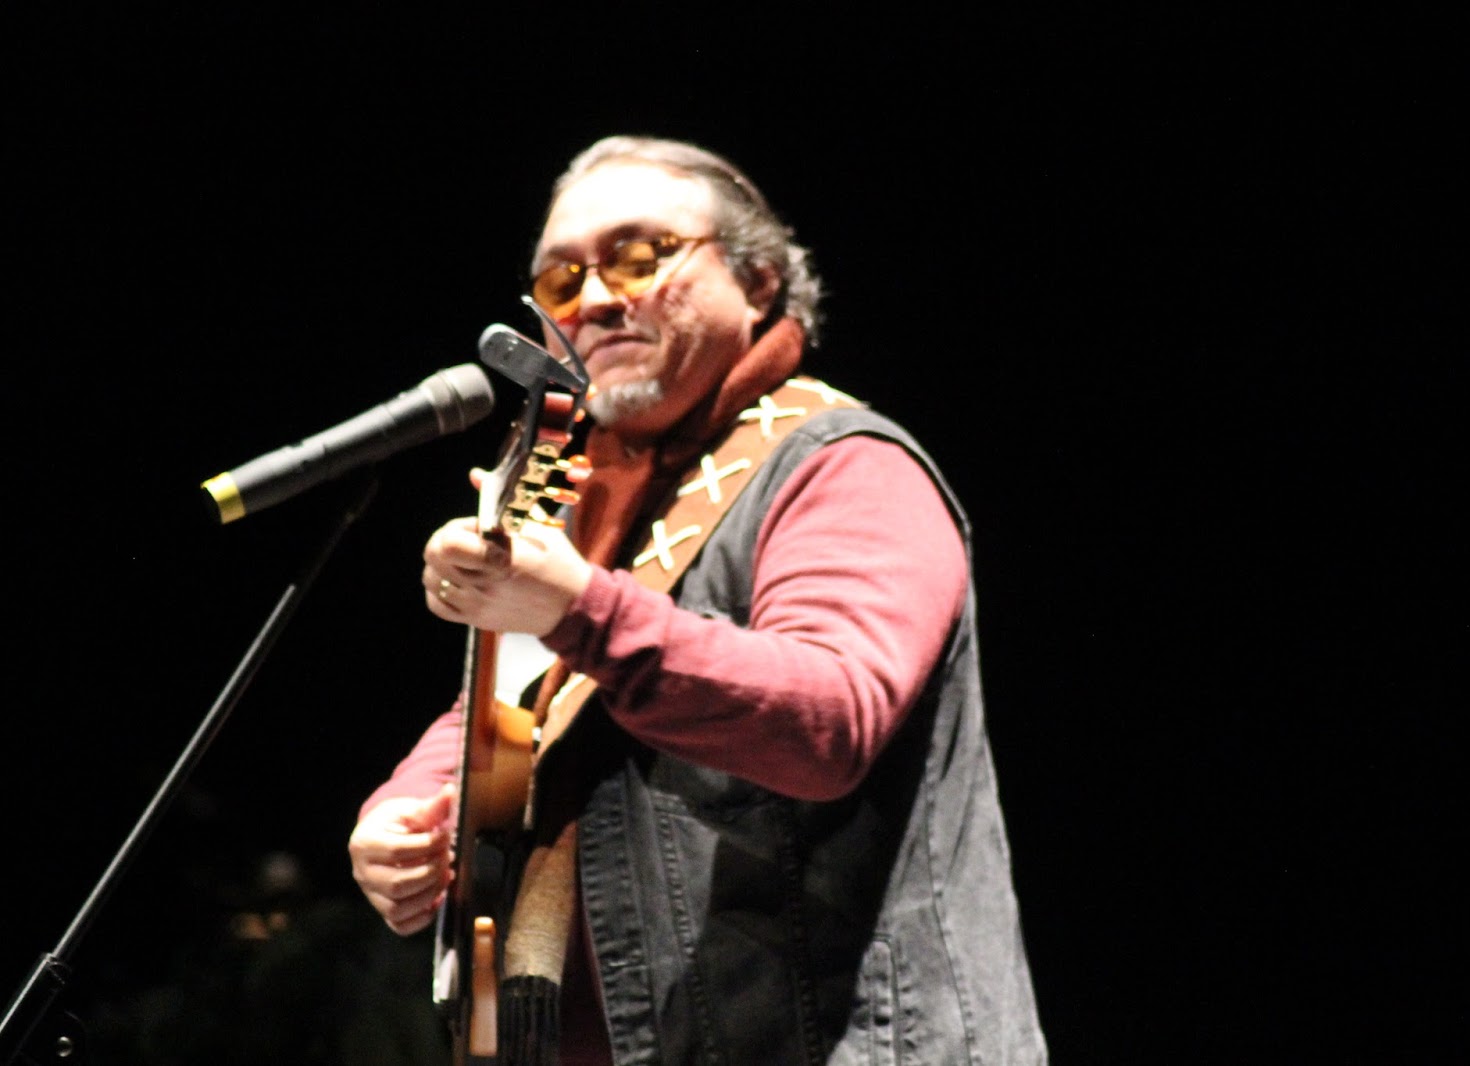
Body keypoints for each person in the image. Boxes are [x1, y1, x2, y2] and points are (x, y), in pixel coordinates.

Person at [347, 134, 1046, 1064]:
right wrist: (405, 813)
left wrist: (575, 606)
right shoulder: (599, 504)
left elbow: (830, 718)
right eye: (560, 280)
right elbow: (526, 710)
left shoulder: (847, 465)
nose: (596, 298)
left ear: (758, 283)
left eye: (642, 255)